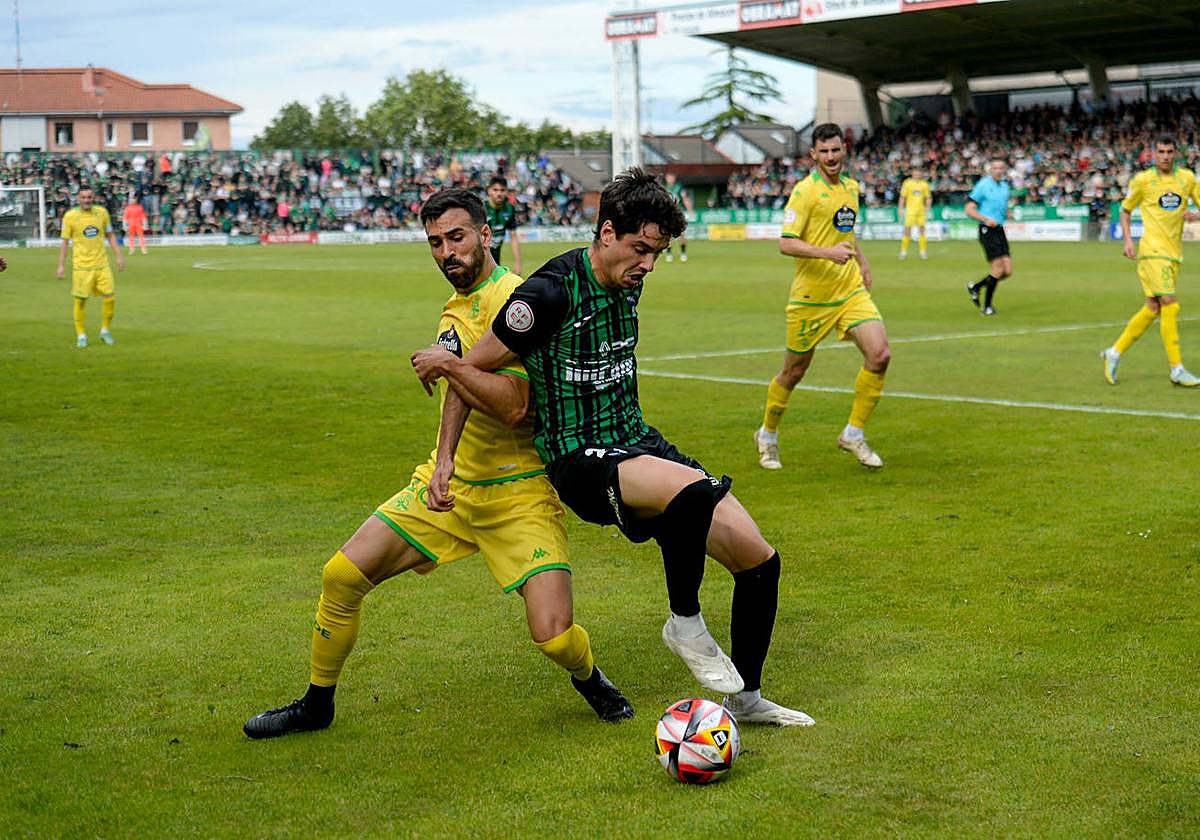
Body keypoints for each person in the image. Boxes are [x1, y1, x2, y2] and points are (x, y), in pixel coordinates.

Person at [415, 168, 814, 727]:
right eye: (640, 249)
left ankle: (746, 699)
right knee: (692, 491)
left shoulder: (629, 276)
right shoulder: (548, 293)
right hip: (578, 455)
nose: (648, 263)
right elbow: (471, 368)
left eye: (656, 252)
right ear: (606, 233)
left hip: (634, 437)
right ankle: (684, 620)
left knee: (759, 560)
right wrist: (448, 456)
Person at [243, 188, 632, 740]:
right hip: (450, 491)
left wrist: (451, 365)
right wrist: (444, 459)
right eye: (434, 242)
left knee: (554, 637)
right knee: (341, 576)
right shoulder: (457, 305)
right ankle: (316, 704)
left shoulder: (519, 303)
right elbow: (461, 385)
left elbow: (517, 408)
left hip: (519, 494)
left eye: (456, 237)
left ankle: (589, 677)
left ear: (485, 234)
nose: (447, 252)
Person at [753, 123, 891, 472]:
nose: (831, 157)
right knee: (794, 371)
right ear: (813, 155)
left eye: (836, 150)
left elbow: (847, 232)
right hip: (811, 297)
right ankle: (767, 435)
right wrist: (826, 253)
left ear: (844, 150)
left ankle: (853, 433)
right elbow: (786, 242)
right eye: (824, 151)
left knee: (880, 354)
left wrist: (862, 260)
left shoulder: (851, 187)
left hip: (849, 290)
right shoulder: (804, 192)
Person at [1101, 134, 1200, 387]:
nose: (1165, 156)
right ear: (1153, 154)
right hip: (1152, 251)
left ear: (1175, 153)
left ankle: (1114, 352)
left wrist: (1195, 213)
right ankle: (1176, 369)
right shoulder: (1143, 180)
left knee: (1153, 308)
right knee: (1171, 303)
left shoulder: (1187, 178)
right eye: (1161, 152)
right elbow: (1124, 211)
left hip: (1173, 253)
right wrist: (1127, 241)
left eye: (1169, 151)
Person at [56, 187, 125, 348]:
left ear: (93, 198)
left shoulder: (101, 213)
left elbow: (110, 235)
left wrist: (119, 256)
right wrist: (60, 266)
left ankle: (105, 331)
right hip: (82, 267)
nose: (87, 200)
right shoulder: (70, 217)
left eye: (89, 197)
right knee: (81, 300)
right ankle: (81, 334)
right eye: (83, 197)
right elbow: (65, 242)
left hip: (102, 264)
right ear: (78, 199)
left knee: (110, 297)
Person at [964, 159, 1012, 316]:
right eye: (995, 168)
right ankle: (987, 307)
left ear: (1004, 170)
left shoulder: (1005, 187)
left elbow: (1002, 208)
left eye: (1000, 168)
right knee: (997, 268)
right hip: (987, 230)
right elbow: (969, 209)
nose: (998, 170)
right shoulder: (983, 185)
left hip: (999, 229)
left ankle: (976, 287)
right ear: (990, 170)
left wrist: (1007, 213)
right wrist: (985, 219)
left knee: (1007, 271)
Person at [484, 176, 522, 275]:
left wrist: (518, 263)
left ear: (506, 192)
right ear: (489, 191)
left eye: (502, 190)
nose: (499, 193)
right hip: (480, 260)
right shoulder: (481, 209)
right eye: (495, 190)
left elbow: (513, 236)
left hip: (495, 260)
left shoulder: (509, 209)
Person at [898, 165, 932, 260]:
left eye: (919, 172)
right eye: (916, 172)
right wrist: (900, 208)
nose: (918, 174)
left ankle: (923, 252)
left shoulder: (924, 184)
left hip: (921, 211)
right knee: (907, 231)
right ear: (912, 173)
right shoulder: (907, 183)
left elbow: (928, 197)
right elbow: (902, 197)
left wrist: (927, 208)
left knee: (922, 230)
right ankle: (903, 252)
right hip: (910, 211)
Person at [663, 172, 691, 262]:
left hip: (678, 213)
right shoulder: (664, 188)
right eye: (668, 177)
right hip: (668, 213)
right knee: (668, 235)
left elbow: (685, 199)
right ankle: (669, 254)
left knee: (681, 234)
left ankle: (683, 253)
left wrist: (690, 210)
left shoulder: (679, 187)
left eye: (672, 177)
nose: (670, 179)